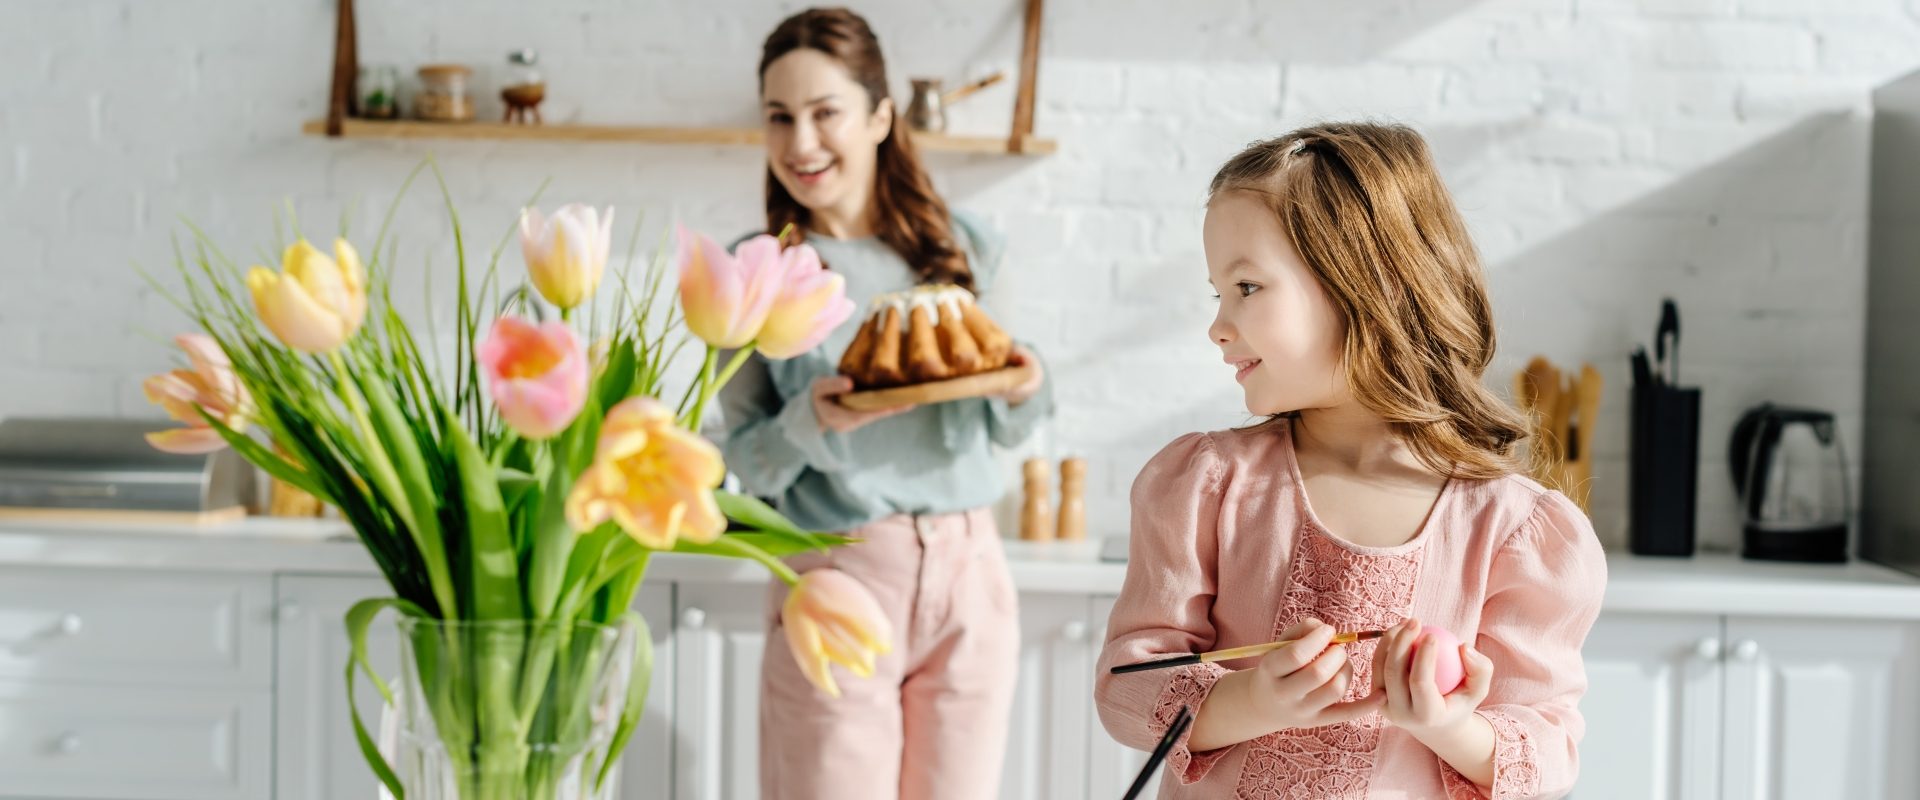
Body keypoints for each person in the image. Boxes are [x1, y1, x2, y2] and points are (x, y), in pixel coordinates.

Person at [1094, 122, 1607, 799]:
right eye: (1217, 292)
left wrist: (1449, 726)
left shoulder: (1517, 531)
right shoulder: (1207, 486)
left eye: (1246, 287)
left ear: (1367, 285)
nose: (1218, 325)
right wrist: (1254, 701)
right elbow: (1127, 689)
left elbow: (1546, 750)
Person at [717, 8, 1054, 800]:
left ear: (879, 117)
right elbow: (742, 460)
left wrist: (1029, 378)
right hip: (835, 567)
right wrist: (814, 421)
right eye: (780, 117)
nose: (801, 143)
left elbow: (1012, 416)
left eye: (825, 112)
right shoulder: (758, 269)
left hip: (969, 570)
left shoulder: (963, 248)